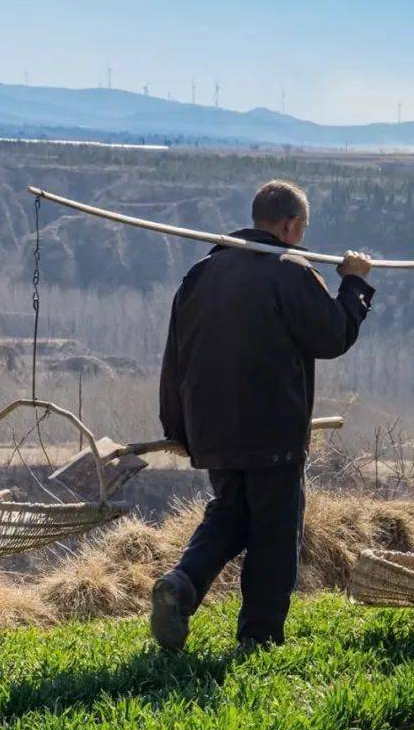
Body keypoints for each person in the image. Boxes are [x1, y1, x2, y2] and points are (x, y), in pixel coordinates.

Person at [151, 179, 374, 652]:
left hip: (211, 428)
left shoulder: (200, 273)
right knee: (275, 530)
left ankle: (182, 585)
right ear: (292, 225)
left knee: (231, 514)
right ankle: (259, 637)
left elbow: (176, 355)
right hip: (273, 429)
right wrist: (354, 284)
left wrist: (178, 427)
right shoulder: (290, 270)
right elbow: (332, 337)